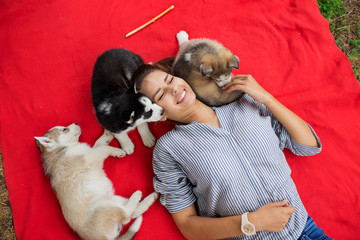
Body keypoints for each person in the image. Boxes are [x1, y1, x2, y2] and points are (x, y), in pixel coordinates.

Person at [132, 64, 332, 240]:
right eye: (161, 94)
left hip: (306, 231)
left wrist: (267, 98)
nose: (174, 89)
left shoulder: (244, 101)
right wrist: (250, 222)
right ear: (156, 113)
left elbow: (308, 146)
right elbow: (187, 226)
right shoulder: (169, 149)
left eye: (170, 80)